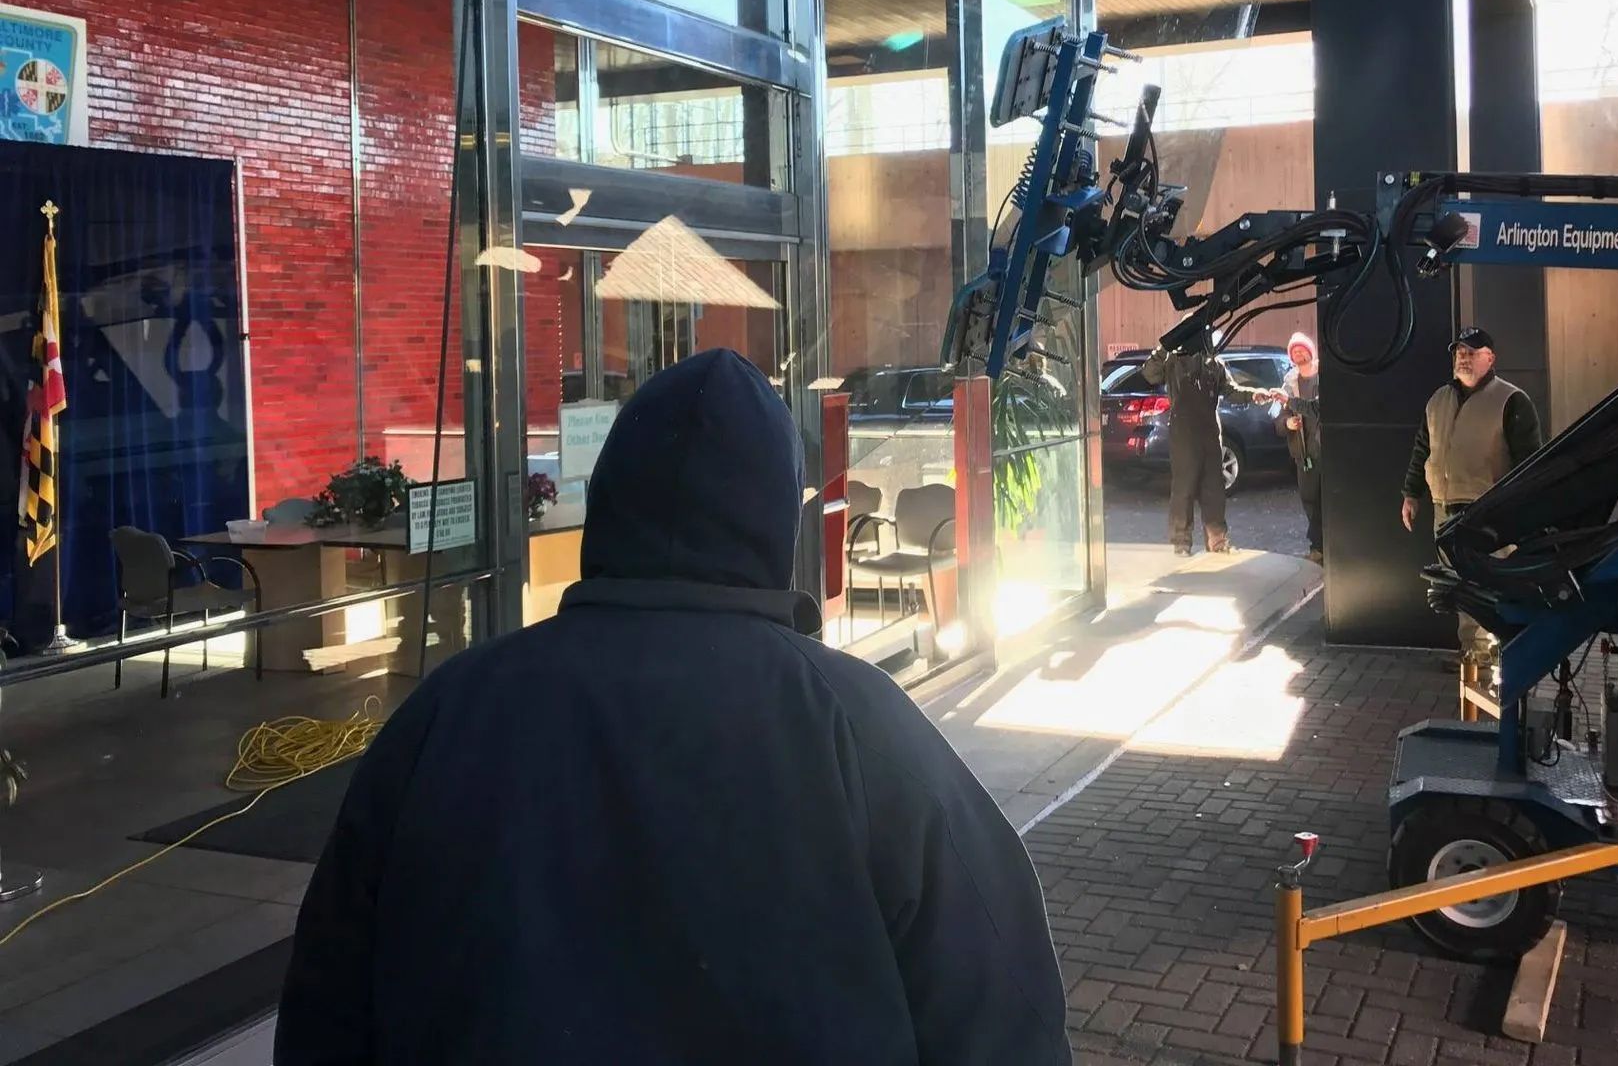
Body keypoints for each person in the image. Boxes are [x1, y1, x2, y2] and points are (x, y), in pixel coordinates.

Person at [278, 349, 1071, 1066]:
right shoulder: (862, 726)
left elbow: (327, 1007)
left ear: (611, 503)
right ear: (773, 520)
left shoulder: (449, 710)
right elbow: (1002, 1012)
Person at [1400, 327, 1543, 665]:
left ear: (1490, 358)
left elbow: (1529, 461)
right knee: (1459, 586)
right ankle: (1475, 656)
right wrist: (1411, 493)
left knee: (1490, 583)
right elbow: (1423, 449)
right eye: (1459, 351)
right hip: (1443, 508)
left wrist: (1519, 510)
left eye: (1472, 351)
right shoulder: (1438, 400)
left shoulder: (1511, 400)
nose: (1463, 357)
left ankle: (1502, 654)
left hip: (1486, 512)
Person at [1143, 339, 1277, 554]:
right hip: (1183, 431)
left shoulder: (1214, 363)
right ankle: (1181, 543)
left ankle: (1217, 540)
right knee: (1183, 488)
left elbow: (1230, 389)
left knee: (1214, 488)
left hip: (1210, 432)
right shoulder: (1173, 360)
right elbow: (1150, 373)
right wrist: (1164, 346)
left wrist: (1252, 394)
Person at [1278, 330, 1323, 563]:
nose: (1297, 352)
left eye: (1301, 348)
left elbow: (1318, 408)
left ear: (1310, 351)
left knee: (1326, 498)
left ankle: (1323, 547)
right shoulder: (1289, 382)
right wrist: (1287, 422)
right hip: (1302, 453)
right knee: (1309, 498)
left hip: (1325, 451)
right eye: (1293, 350)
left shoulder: (1323, 377)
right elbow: (1277, 418)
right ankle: (1319, 546)